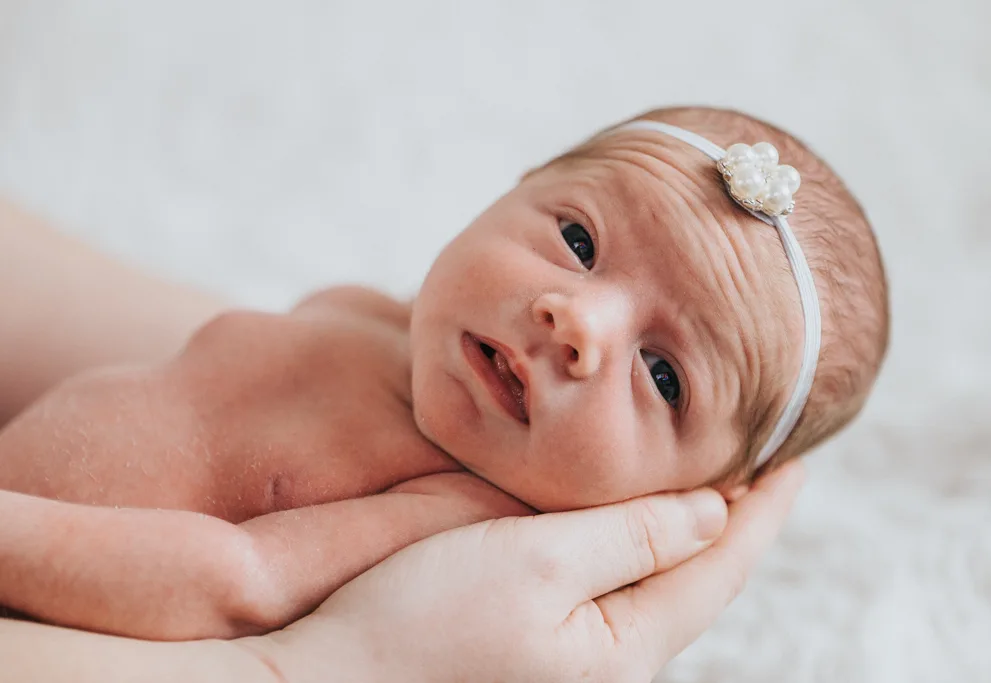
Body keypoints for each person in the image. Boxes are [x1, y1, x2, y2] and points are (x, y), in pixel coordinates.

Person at [0, 106, 883, 640]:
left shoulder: (455, 516)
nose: (578, 320)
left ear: (693, 496)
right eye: (577, 241)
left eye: (663, 375)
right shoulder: (367, 315)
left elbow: (237, 583)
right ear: (511, 189)